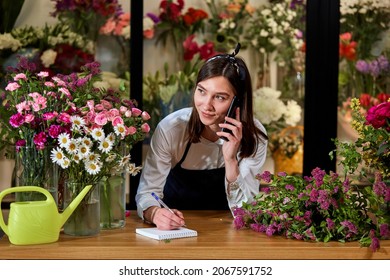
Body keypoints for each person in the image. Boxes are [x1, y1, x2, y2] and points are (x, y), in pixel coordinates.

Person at [136, 43, 268, 230]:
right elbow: (147, 193)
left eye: (220, 97)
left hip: (228, 233)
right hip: (176, 232)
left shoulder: (255, 136)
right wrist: (156, 214)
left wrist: (231, 160)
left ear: (237, 102)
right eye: (202, 91)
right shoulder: (172, 129)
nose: (206, 105)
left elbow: (246, 212)